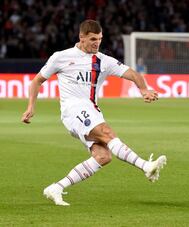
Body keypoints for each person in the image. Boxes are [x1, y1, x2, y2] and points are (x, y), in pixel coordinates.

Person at [21, 20, 167, 206]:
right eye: (92, 39)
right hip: (73, 111)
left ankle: (56, 188)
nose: (96, 43)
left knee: (103, 156)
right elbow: (36, 81)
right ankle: (146, 166)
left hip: (92, 111)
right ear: (81, 37)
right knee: (107, 133)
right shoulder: (61, 57)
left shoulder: (103, 61)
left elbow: (132, 74)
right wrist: (30, 107)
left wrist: (144, 89)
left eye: (99, 39)